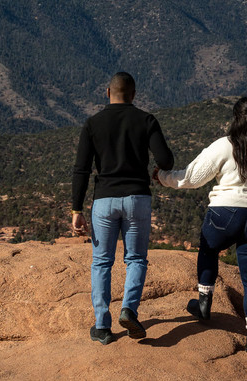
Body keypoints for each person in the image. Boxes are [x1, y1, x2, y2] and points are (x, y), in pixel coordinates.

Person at [153, 96, 247, 360]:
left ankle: (204, 305)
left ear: (236, 119)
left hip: (226, 213)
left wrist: (162, 177)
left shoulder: (226, 145)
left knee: (208, 249)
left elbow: (192, 178)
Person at [71, 71, 175, 345]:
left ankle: (102, 327)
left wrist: (76, 209)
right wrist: (157, 169)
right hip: (137, 198)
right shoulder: (146, 120)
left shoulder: (93, 123)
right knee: (136, 259)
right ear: (134, 95)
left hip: (104, 200)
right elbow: (165, 159)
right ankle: (128, 309)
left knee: (102, 261)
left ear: (108, 92)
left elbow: (81, 169)